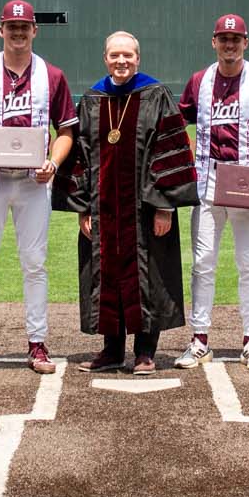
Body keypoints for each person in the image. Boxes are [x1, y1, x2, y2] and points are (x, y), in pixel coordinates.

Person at [0, 0, 77, 378]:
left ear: (34, 30)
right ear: (0, 29)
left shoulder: (52, 75)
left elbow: (66, 130)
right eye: (12, 26)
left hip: (34, 183)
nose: (18, 33)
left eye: (25, 27)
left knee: (34, 263)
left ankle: (37, 342)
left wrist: (53, 163)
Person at [59, 31, 197, 374]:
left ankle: (145, 352)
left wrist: (165, 205)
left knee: (148, 276)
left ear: (138, 58)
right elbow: (80, 155)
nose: (122, 61)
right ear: (105, 58)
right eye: (115, 55)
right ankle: (111, 350)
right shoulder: (92, 99)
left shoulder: (156, 95)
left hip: (146, 209)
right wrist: (82, 209)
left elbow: (171, 148)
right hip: (102, 210)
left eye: (128, 56)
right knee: (104, 275)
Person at [175, 13, 249, 370]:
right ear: (213, 42)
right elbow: (180, 124)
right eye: (223, 38)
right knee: (203, 263)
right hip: (208, 184)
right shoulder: (200, 81)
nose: (229, 44)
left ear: (245, 42)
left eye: (235, 38)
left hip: (247, 183)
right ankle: (199, 339)